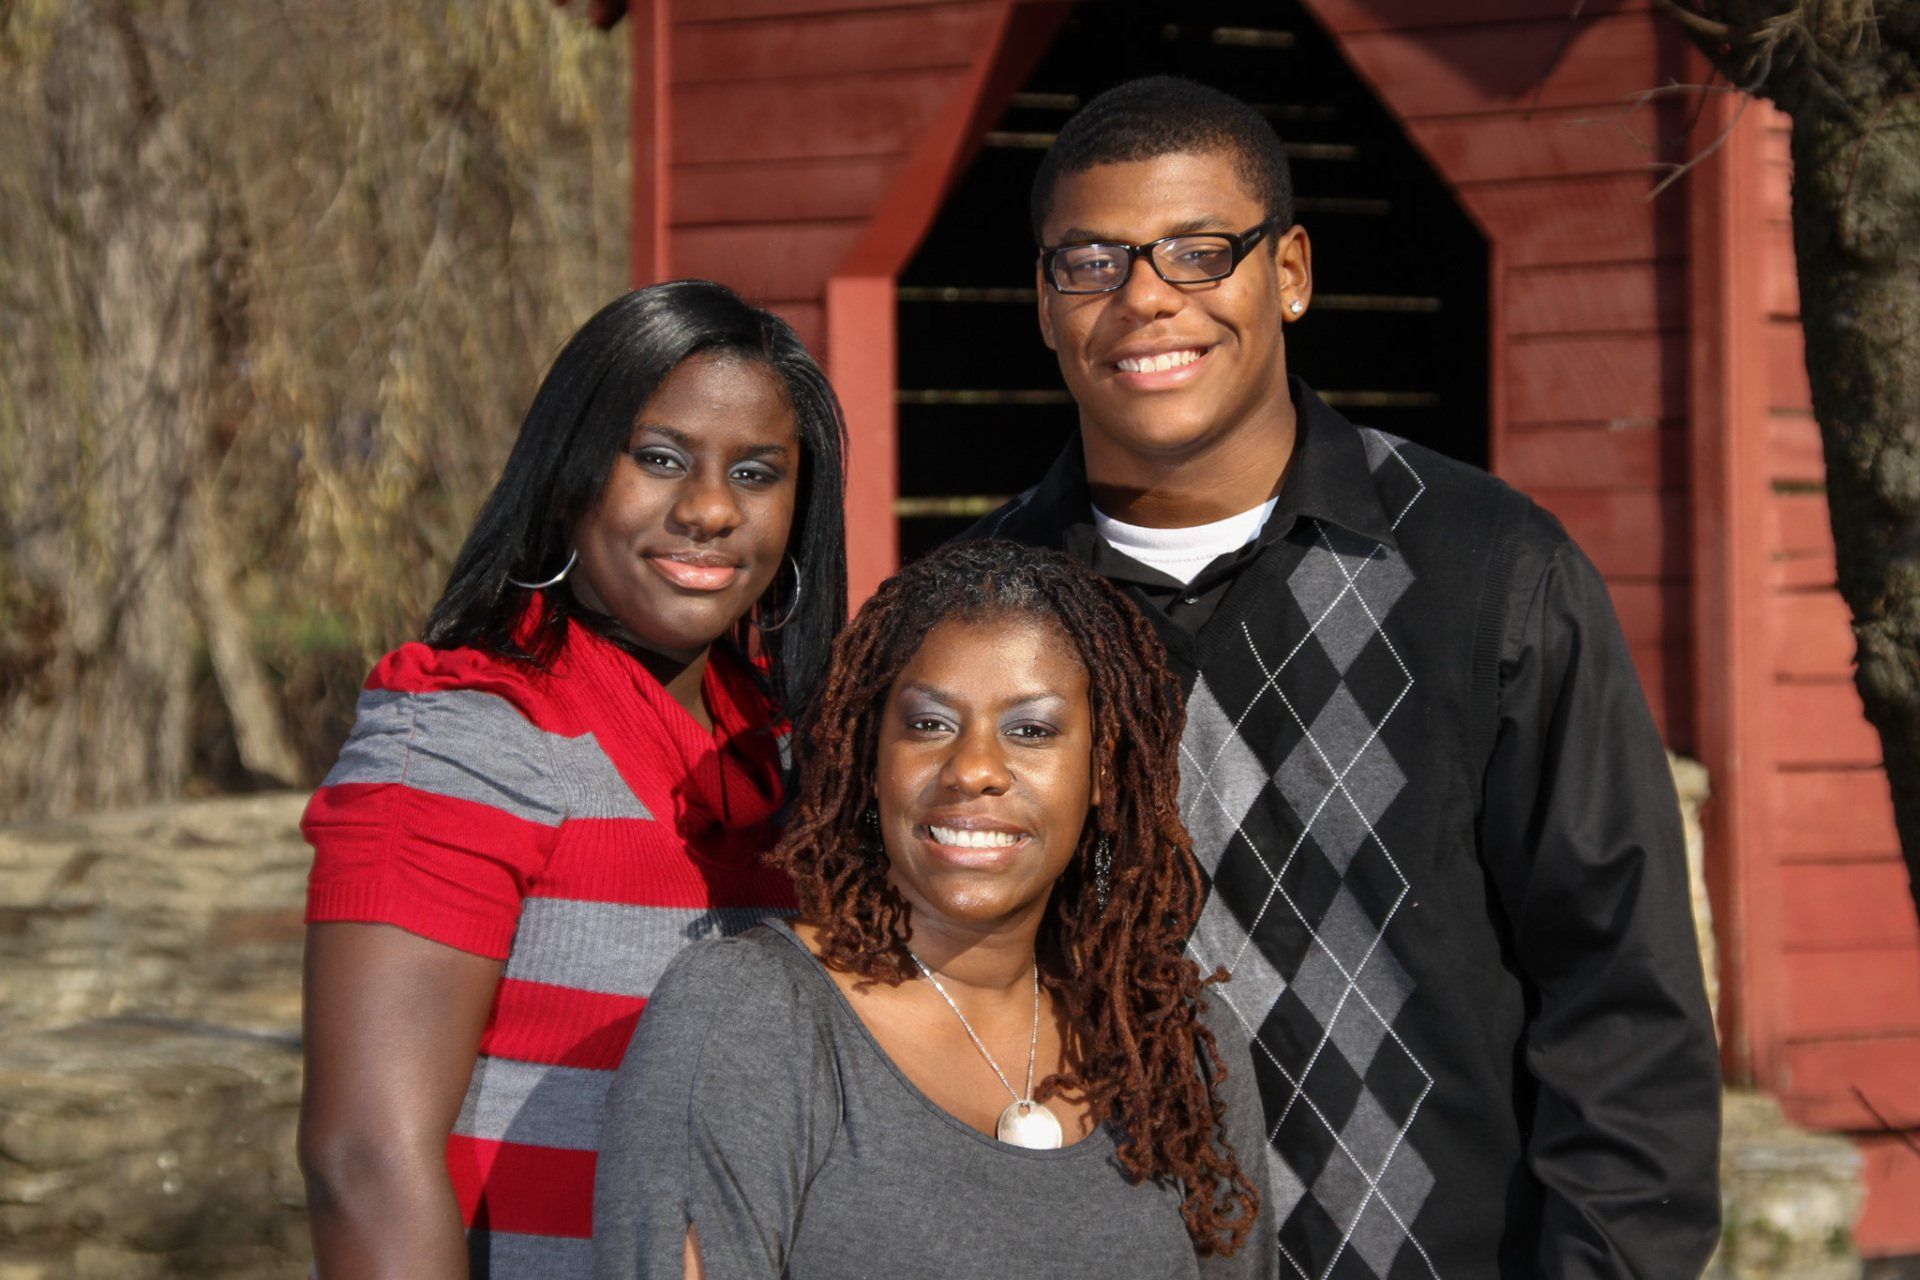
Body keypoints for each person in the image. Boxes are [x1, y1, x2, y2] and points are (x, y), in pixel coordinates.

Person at [969, 76, 1722, 1275]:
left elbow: (1621, 1003)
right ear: (1047, 304)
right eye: (1093, 261)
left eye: (1199, 251)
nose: (1147, 296)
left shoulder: (1490, 577)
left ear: (1292, 272)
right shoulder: (975, 615)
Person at [296, 279, 848, 1279]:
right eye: (660, 457)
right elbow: (365, 1160)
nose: (711, 508)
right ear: (570, 470)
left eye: (758, 471)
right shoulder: (465, 736)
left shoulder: (792, 752)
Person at [592, 540, 1278, 1279]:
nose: (973, 769)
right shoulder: (749, 1015)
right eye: (928, 724)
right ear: (871, 758)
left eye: (1031, 730)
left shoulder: (1178, 1045)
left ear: (1102, 770)